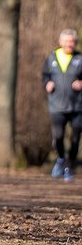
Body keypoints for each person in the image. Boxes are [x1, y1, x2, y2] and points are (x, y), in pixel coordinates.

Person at [41, 29, 82, 181]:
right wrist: (47, 83)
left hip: (77, 105)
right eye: (66, 41)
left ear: (75, 43)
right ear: (60, 42)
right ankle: (60, 160)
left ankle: (69, 166)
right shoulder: (52, 58)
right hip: (56, 104)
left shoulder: (80, 58)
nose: (69, 44)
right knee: (58, 136)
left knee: (76, 137)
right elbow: (44, 75)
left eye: (72, 41)